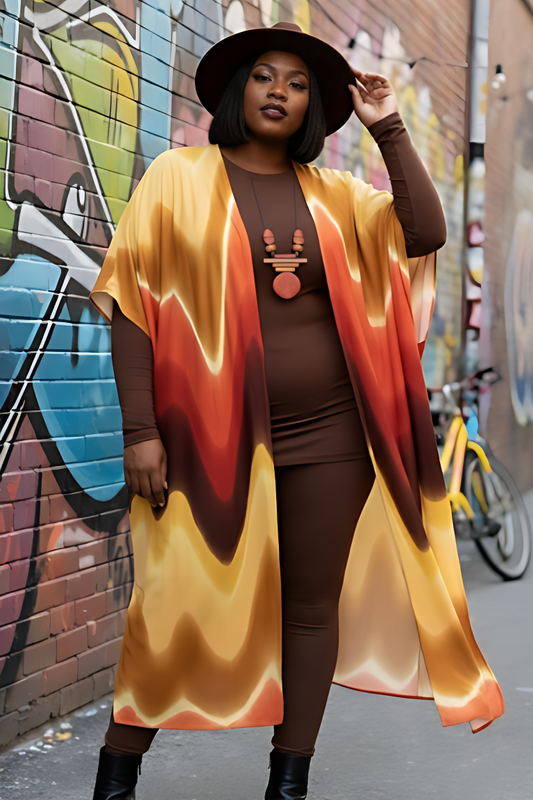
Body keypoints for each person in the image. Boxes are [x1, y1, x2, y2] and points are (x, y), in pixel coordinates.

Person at [90, 22, 504, 800]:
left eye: (298, 82)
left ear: (314, 107)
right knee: (172, 598)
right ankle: (116, 777)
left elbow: (425, 231)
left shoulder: (338, 197)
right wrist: (139, 430)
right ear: (236, 89)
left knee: (310, 607)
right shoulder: (175, 177)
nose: (279, 90)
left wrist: (387, 125)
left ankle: (288, 782)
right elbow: (133, 307)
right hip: (206, 436)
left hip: (333, 435)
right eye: (264, 76)